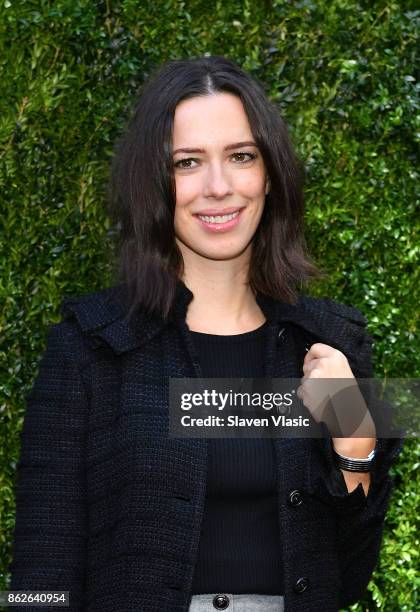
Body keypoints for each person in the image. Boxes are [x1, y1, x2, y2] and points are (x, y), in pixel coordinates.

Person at [9, 55, 403, 612]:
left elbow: (352, 573)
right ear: (154, 183)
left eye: (241, 156)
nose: (218, 187)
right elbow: (39, 568)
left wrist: (357, 446)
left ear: (270, 174)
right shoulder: (86, 346)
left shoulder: (336, 344)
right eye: (188, 163)